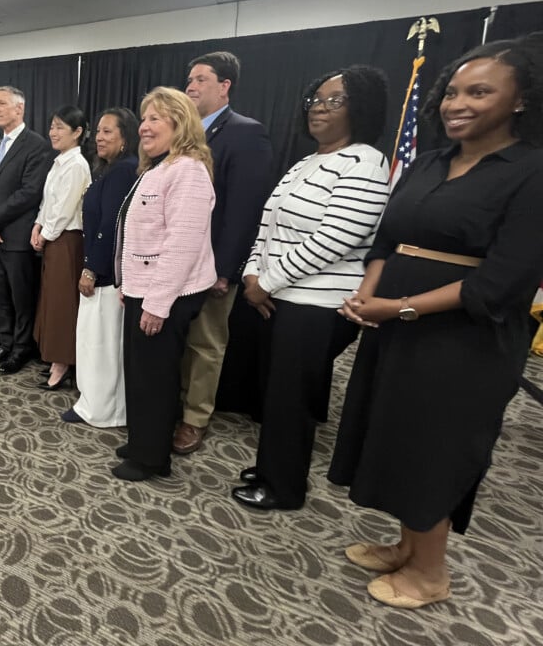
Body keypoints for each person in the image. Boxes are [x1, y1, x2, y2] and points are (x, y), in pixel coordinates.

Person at [329, 33, 543, 609]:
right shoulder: (429, 162)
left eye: (479, 92)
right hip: (396, 328)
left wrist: (399, 306)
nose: (457, 104)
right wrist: (367, 293)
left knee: (436, 448)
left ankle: (430, 573)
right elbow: (387, 239)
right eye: (451, 92)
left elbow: (501, 282)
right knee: (396, 435)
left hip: (465, 341)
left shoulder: (532, 172)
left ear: (521, 99)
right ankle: (407, 546)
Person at [229, 66, 391, 511]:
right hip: (280, 296)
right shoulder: (306, 162)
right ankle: (270, 467)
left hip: (317, 304)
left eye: (334, 100)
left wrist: (268, 282)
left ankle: (283, 488)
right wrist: (252, 274)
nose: (319, 108)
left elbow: (334, 240)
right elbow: (267, 227)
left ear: (362, 107)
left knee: (291, 398)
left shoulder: (365, 163)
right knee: (275, 392)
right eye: (315, 99)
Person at [113, 87, 216, 481]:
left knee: (154, 376)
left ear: (180, 122)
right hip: (145, 288)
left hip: (167, 294)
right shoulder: (160, 167)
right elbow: (141, 237)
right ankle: (143, 439)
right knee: (140, 372)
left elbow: (181, 245)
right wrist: (130, 285)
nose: (144, 126)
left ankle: (151, 458)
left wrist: (156, 303)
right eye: (144, 118)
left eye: (155, 118)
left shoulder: (188, 170)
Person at [175, 52, 272, 455]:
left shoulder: (246, 133)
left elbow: (244, 210)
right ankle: (173, 403)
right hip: (174, 261)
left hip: (212, 264)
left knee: (205, 342)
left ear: (225, 86)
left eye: (201, 79)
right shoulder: (181, 135)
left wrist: (226, 270)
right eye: (189, 79)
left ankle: (194, 417)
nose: (191, 86)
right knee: (175, 338)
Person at [64, 107, 139, 425]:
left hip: (105, 274)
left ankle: (101, 410)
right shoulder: (112, 169)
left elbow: (110, 225)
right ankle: (99, 404)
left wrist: (90, 269)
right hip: (103, 269)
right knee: (98, 341)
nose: (99, 137)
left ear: (125, 138)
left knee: (100, 344)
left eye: (108, 131)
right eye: (98, 131)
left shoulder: (123, 171)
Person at [0, 85, 51, 375]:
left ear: (20, 108)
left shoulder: (36, 144)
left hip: (17, 237)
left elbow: (29, 192)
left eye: (2, 103)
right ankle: (4, 344)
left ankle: (21, 349)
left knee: (21, 297)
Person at [31, 106, 91, 389]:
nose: (53, 132)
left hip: (67, 240)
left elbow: (65, 209)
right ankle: (55, 357)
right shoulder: (59, 162)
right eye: (52, 126)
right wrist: (38, 225)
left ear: (77, 132)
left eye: (60, 127)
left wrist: (46, 233)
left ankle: (63, 363)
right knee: (51, 301)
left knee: (62, 304)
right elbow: (48, 203)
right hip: (54, 237)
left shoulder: (77, 164)